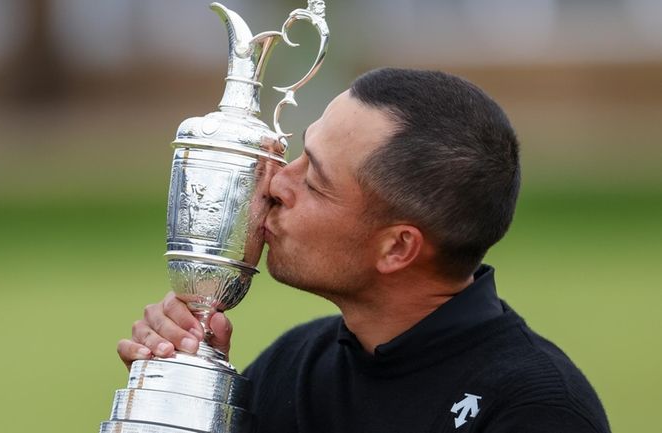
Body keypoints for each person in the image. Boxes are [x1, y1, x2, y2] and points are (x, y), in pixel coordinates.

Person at [117, 68, 611, 432]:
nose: (275, 184)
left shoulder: (536, 410)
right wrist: (188, 399)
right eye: (301, 153)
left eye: (315, 179)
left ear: (398, 248)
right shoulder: (295, 365)